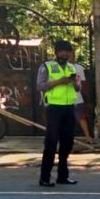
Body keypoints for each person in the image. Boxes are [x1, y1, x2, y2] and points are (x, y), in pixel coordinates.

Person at [36, 40, 81, 187]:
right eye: (62, 51)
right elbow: (40, 86)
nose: (65, 54)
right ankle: (45, 177)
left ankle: (63, 176)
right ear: (56, 52)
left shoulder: (71, 67)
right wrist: (59, 82)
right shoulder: (47, 66)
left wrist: (74, 83)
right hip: (54, 108)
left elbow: (77, 88)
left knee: (67, 143)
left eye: (67, 52)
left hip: (69, 108)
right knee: (51, 143)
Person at [69, 49, 92, 143]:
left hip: (77, 97)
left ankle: (88, 137)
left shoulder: (79, 68)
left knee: (81, 117)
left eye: (72, 55)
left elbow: (82, 82)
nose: (71, 57)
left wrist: (87, 97)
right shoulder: (61, 68)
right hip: (65, 98)